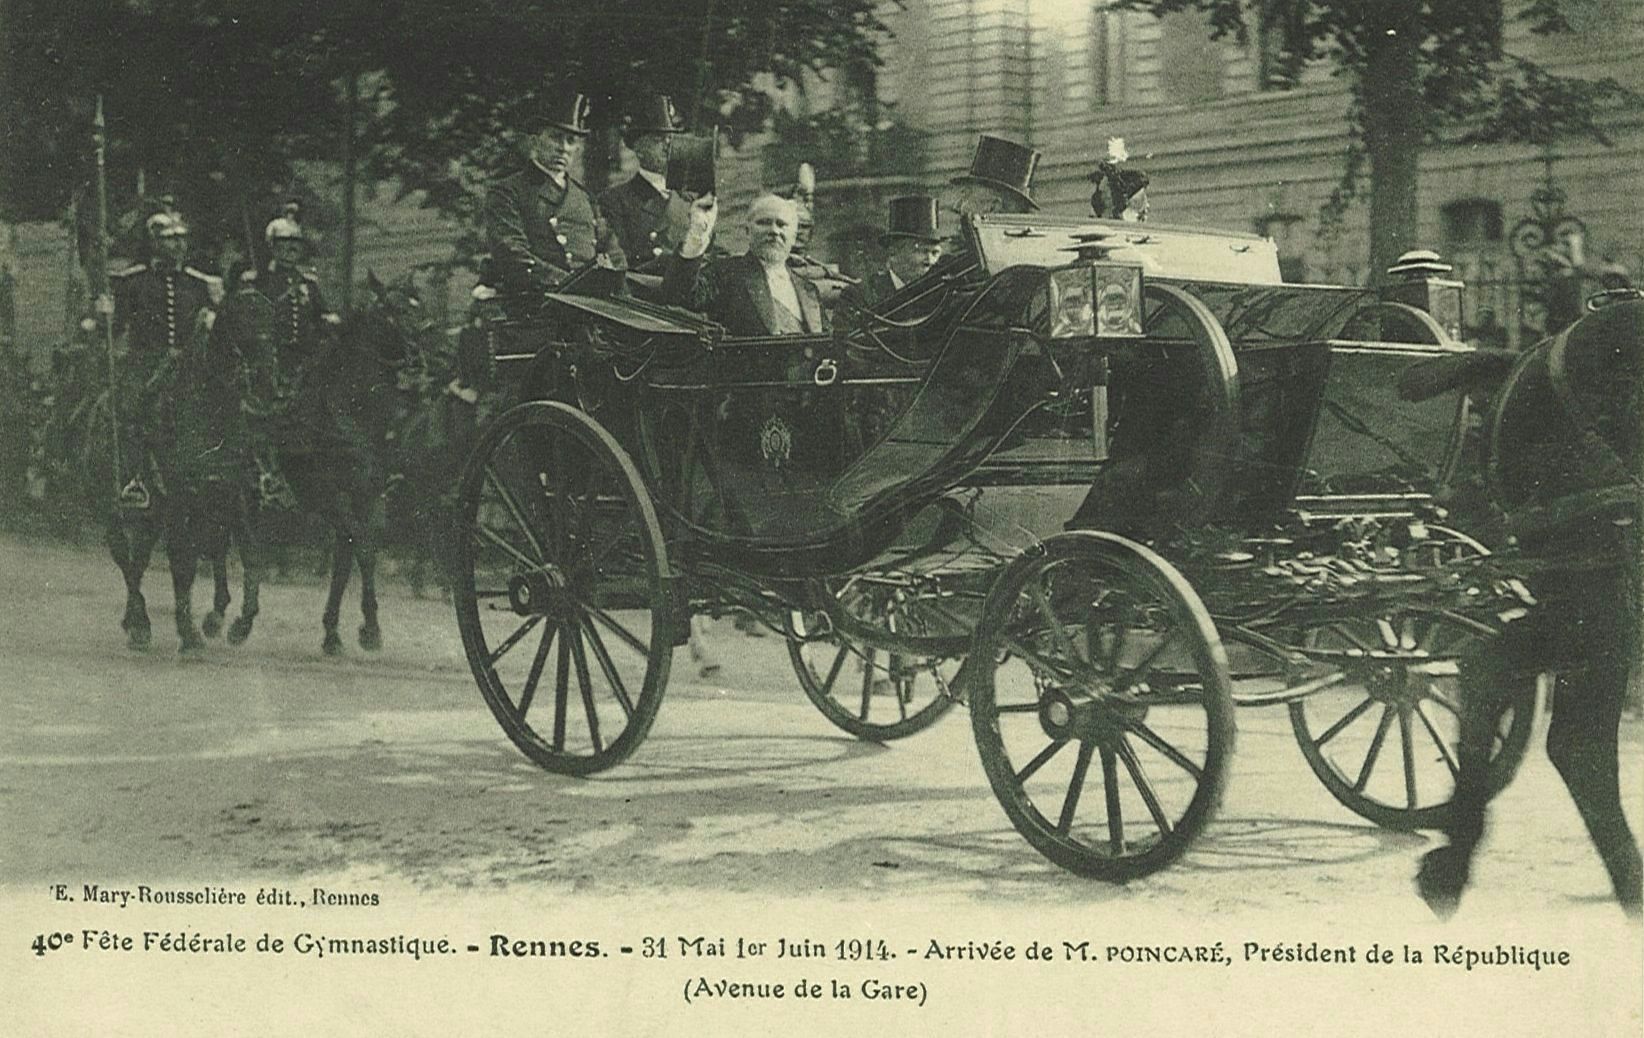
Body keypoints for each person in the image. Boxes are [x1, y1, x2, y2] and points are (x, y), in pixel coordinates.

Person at [97, 209, 223, 509]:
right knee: (131, 415)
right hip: (146, 364)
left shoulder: (198, 283)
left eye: (182, 239)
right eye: (170, 240)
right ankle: (135, 481)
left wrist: (214, 316)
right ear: (154, 243)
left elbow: (220, 327)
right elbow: (115, 327)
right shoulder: (133, 281)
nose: (179, 246)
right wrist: (105, 314)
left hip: (190, 365)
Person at [234, 204, 341, 505]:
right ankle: (266, 474)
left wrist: (330, 320)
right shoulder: (257, 281)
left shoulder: (308, 284)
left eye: (296, 245)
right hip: (269, 362)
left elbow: (322, 314)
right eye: (284, 245)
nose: (291, 251)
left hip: (304, 363)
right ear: (272, 248)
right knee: (266, 418)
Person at [483, 92, 626, 315]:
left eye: (571, 141)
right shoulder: (508, 192)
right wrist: (573, 285)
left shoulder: (585, 197)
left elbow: (612, 251)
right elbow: (512, 254)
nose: (564, 147)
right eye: (555, 137)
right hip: (539, 307)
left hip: (592, 309)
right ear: (534, 140)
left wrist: (613, 283)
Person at [660, 193, 828, 337]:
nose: (774, 231)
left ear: (793, 236)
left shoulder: (808, 290)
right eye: (764, 222)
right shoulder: (727, 272)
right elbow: (678, 295)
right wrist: (697, 233)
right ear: (748, 230)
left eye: (782, 224)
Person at [599, 94, 689, 271]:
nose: (667, 146)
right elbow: (622, 262)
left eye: (670, 139)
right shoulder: (615, 200)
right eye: (658, 139)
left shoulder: (688, 200)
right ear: (638, 148)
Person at [849, 195, 944, 309]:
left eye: (935, 253)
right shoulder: (861, 295)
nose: (930, 261)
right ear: (893, 253)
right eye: (920, 251)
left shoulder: (942, 293)